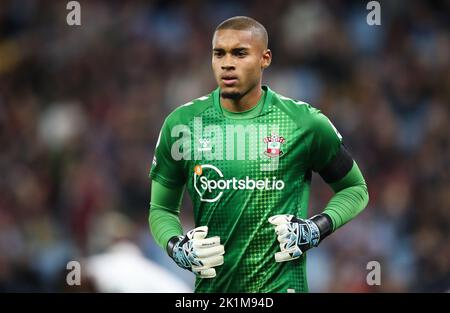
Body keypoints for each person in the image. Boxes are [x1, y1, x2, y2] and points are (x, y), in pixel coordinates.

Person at [149, 16, 369, 293]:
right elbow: (161, 209)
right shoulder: (181, 124)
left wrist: (315, 228)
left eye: (240, 53)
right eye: (220, 53)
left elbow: (355, 189)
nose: (228, 63)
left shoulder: (304, 123)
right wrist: (176, 247)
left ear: (265, 58)